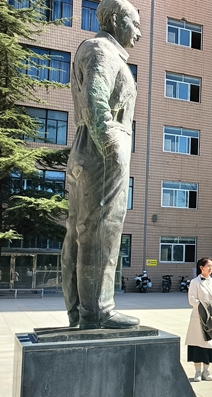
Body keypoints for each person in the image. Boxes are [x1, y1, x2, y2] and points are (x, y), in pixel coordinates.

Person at [61, 0, 141, 329]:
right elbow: (96, 100)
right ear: (115, 20)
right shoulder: (102, 50)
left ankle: (79, 312)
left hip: (88, 146)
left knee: (80, 230)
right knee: (102, 230)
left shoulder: (94, 50)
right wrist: (112, 148)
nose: (138, 33)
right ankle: (98, 311)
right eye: (134, 23)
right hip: (102, 148)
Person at [186, 258, 212, 382]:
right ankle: (197, 372)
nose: (210, 268)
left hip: (211, 316)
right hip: (198, 316)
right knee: (198, 343)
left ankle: (206, 371)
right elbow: (192, 300)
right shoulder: (194, 282)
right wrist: (206, 305)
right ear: (201, 267)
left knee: (209, 343)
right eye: (208, 266)